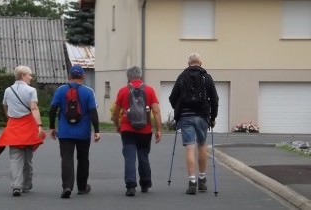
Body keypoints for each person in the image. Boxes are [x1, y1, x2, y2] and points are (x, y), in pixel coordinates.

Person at [169, 53, 218, 195]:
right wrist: (213, 117)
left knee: (190, 147)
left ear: (188, 63)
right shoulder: (207, 77)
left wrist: (179, 108)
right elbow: (214, 99)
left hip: (186, 117)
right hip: (202, 116)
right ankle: (202, 180)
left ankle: (192, 182)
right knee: (202, 145)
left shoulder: (182, 77)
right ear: (200, 63)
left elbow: (172, 98)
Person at [49, 65, 101, 199]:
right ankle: (82, 187)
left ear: (69, 76)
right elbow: (93, 112)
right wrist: (97, 130)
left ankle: (67, 186)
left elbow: (53, 109)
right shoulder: (89, 92)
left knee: (66, 158)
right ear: (83, 77)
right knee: (83, 159)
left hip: (65, 132)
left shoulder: (60, 90)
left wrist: (52, 127)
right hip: (83, 132)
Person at [0, 65, 46, 197]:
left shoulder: (8, 90)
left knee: (14, 158)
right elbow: (34, 108)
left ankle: (16, 186)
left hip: (13, 126)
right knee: (28, 159)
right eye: (29, 75)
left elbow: (5, 106)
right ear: (23, 75)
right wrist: (39, 125)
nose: (31, 77)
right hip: (28, 126)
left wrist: (9, 117)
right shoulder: (31, 90)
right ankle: (26, 184)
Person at [112, 66, 162, 197]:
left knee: (129, 156)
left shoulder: (123, 91)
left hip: (127, 129)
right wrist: (159, 129)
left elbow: (116, 112)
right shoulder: (150, 90)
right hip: (145, 130)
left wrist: (117, 125)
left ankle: (130, 186)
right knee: (143, 155)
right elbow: (156, 111)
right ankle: (145, 183)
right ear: (140, 76)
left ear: (128, 77)